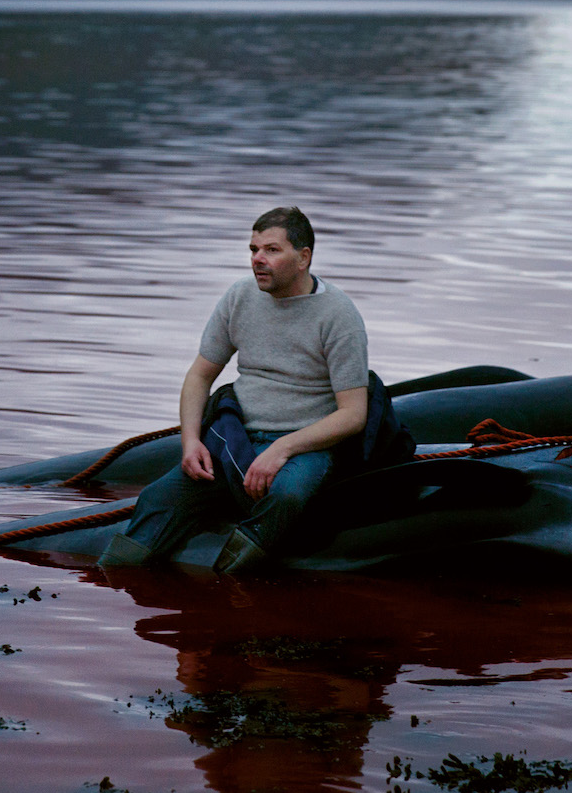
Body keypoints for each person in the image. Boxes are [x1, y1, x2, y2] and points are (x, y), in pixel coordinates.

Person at [97, 206, 370, 574]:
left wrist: (281, 449)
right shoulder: (240, 296)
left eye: (271, 250)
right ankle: (113, 580)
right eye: (253, 249)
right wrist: (191, 443)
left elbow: (353, 414)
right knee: (158, 497)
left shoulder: (339, 314)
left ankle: (228, 583)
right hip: (236, 434)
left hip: (304, 445)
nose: (257, 259)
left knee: (286, 497)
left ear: (303, 257)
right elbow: (199, 376)